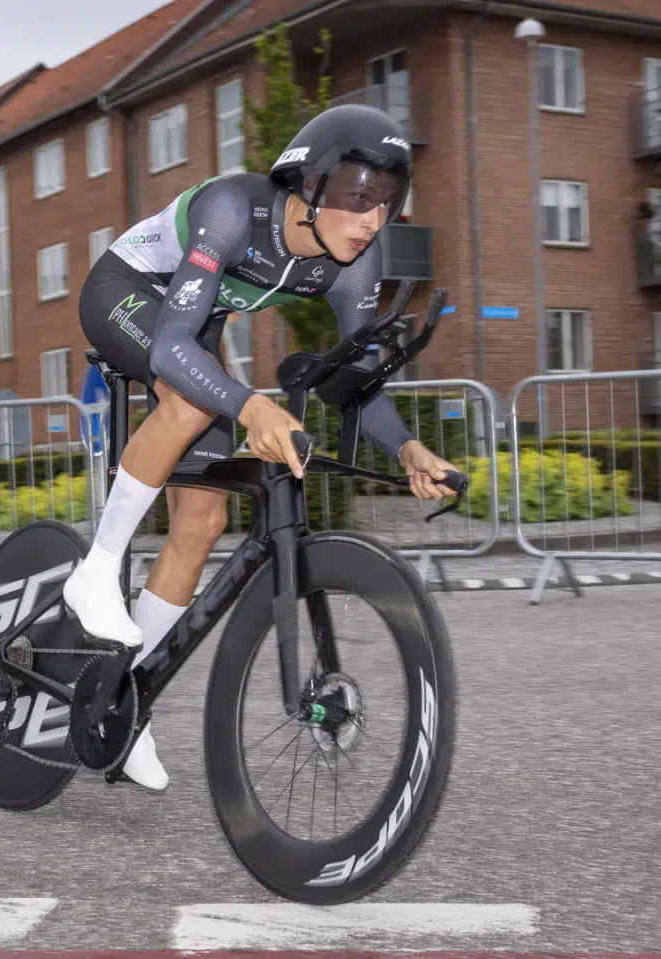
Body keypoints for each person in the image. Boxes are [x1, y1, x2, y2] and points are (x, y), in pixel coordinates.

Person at [64, 103, 459, 791]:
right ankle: (95, 569)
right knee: (190, 399)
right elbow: (169, 347)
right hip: (126, 294)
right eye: (357, 195)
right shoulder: (230, 211)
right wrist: (249, 405)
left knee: (203, 519)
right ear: (309, 186)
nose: (371, 219)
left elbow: (354, 382)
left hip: (193, 323)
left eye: (386, 203)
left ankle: (126, 702)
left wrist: (408, 449)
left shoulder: (354, 266)